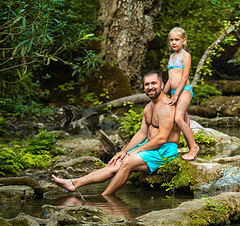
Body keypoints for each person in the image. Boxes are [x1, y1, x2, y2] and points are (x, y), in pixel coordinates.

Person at [52, 71, 180, 195]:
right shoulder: (148, 107)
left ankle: (104, 198)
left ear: (162, 85)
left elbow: (162, 139)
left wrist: (136, 150)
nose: (150, 87)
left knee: (128, 162)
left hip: (165, 150)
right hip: (150, 147)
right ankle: (74, 183)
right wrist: (124, 151)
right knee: (115, 163)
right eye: (147, 84)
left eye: (154, 83)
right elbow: (142, 133)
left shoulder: (167, 107)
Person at [163, 27, 199, 160]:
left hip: (184, 91)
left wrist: (176, 94)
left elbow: (184, 77)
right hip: (174, 91)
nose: (173, 42)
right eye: (171, 40)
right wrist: (162, 94)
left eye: (176, 40)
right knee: (184, 120)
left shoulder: (185, 56)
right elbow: (170, 79)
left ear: (184, 41)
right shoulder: (172, 57)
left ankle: (194, 147)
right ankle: (189, 148)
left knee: (178, 118)